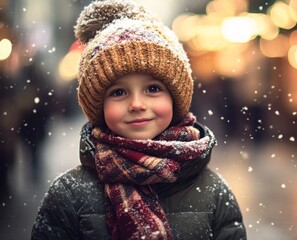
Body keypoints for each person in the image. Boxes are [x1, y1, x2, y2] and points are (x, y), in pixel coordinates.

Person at [31, 0, 246, 239]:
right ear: (98, 107)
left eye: (152, 89)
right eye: (119, 92)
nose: (136, 104)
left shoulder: (213, 192)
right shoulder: (69, 195)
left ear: (176, 100)